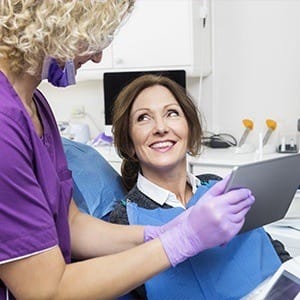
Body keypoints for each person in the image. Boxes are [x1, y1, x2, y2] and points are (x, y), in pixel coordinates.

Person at [0, 1, 256, 299]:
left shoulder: (37, 106)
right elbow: (45, 291)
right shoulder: (5, 124)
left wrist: (167, 230)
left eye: (172, 113)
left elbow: (72, 224)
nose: (97, 57)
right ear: (60, 25)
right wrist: (180, 241)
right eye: (92, 38)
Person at [109, 74, 291, 299]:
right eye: (144, 118)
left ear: (190, 129)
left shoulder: (219, 185)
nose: (161, 127)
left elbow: (271, 249)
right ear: (129, 143)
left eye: (172, 113)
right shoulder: (122, 221)